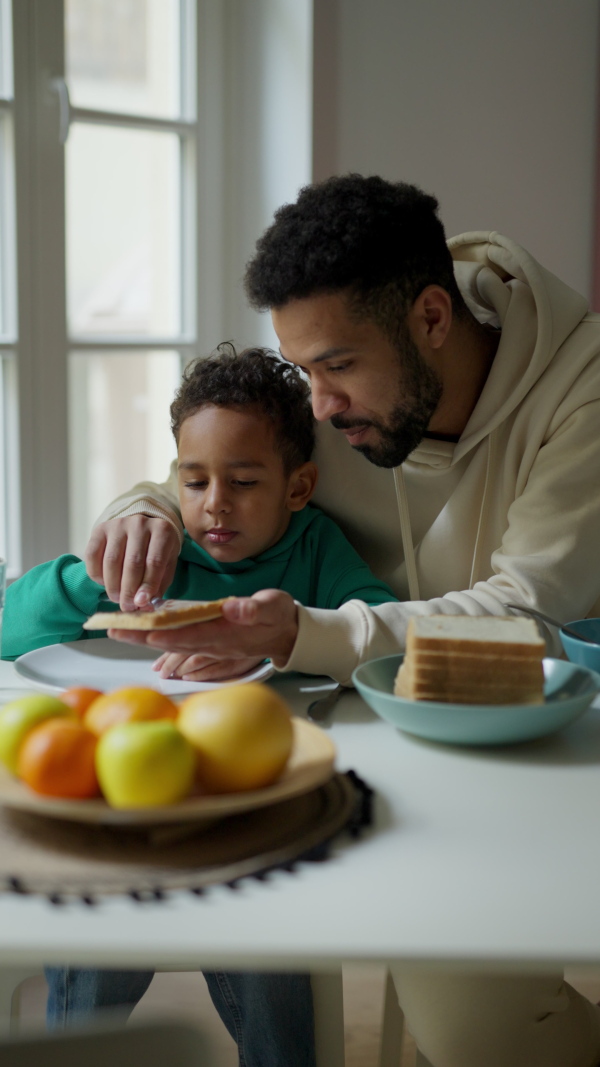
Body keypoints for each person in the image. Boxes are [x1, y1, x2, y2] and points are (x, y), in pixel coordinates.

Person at [90, 175, 600, 1067]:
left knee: (475, 1033)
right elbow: (230, 454)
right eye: (304, 372)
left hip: (500, 745)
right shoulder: (343, 382)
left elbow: (524, 616)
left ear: (432, 319)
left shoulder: (583, 394)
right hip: (334, 728)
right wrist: (148, 507)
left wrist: (301, 632)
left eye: (336, 368)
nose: (318, 407)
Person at [2, 343, 396, 1067]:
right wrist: (91, 572)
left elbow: (381, 630)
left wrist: (292, 630)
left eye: (244, 480)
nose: (215, 502)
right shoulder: (158, 553)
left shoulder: (313, 548)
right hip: (126, 803)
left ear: (298, 485)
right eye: (194, 479)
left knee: (271, 956)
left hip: (256, 801)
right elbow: (11, 626)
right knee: (92, 948)